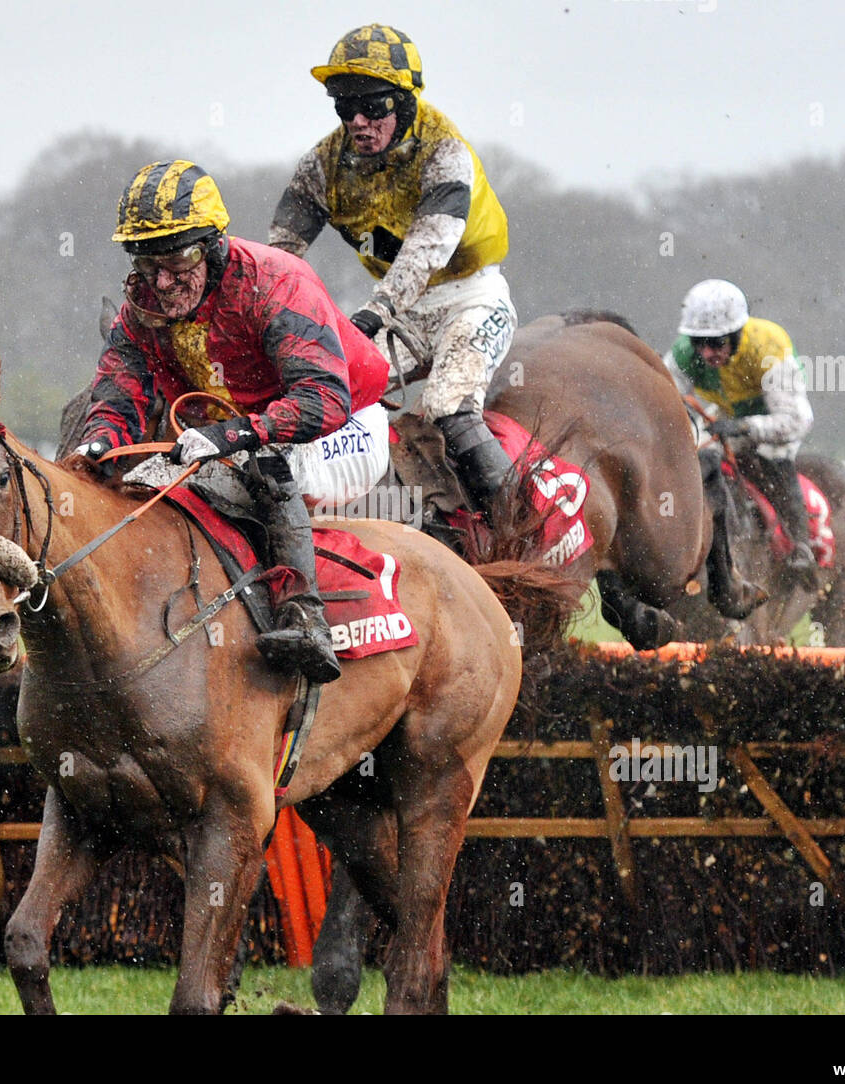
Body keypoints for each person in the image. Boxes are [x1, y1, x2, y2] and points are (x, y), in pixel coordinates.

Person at [69, 160, 392, 683]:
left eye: (179, 260)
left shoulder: (275, 281)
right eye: (149, 264)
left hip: (345, 424)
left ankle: (304, 616)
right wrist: (98, 441)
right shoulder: (142, 306)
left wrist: (231, 435)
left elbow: (322, 398)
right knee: (144, 474)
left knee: (260, 461)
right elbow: (117, 389)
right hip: (243, 425)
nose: (165, 282)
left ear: (213, 244)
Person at [269, 23, 516, 515]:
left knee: (448, 407)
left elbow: (427, 250)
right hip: (401, 312)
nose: (358, 121)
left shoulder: (445, 150)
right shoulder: (321, 166)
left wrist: (372, 312)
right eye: (345, 108)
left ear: (405, 102)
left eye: (373, 106)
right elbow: (279, 258)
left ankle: (522, 529)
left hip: (470, 298)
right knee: (330, 396)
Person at [663, 279, 819, 583]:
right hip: (725, 417)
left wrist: (745, 426)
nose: (707, 353)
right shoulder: (683, 354)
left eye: (717, 343)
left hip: (775, 422)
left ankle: (801, 549)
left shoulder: (768, 346)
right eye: (699, 342)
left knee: (771, 461)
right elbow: (665, 403)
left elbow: (797, 420)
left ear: (736, 334)